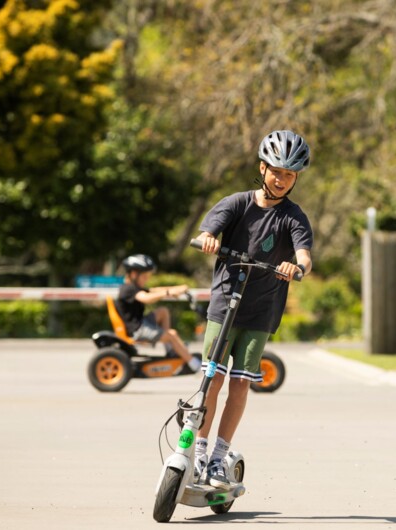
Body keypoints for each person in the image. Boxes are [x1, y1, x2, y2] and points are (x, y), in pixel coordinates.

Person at [193, 130, 314, 488]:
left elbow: (305, 255)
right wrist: (209, 240)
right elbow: (205, 233)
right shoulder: (235, 203)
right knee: (211, 378)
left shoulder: (294, 217)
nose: (281, 179)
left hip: (261, 312)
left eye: (289, 174)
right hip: (224, 305)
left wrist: (298, 267)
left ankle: (218, 457)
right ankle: (198, 450)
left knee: (240, 385)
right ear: (262, 168)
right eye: (276, 171)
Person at [115, 254, 202, 373]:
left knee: (163, 311)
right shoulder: (128, 289)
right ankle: (194, 364)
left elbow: (154, 290)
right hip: (137, 331)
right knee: (172, 334)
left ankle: (171, 350)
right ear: (134, 274)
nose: (147, 279)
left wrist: (175, 289)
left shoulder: (133, 287)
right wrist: (168, 292)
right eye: (145, 276)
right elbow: (146, 298)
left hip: (140, 324)